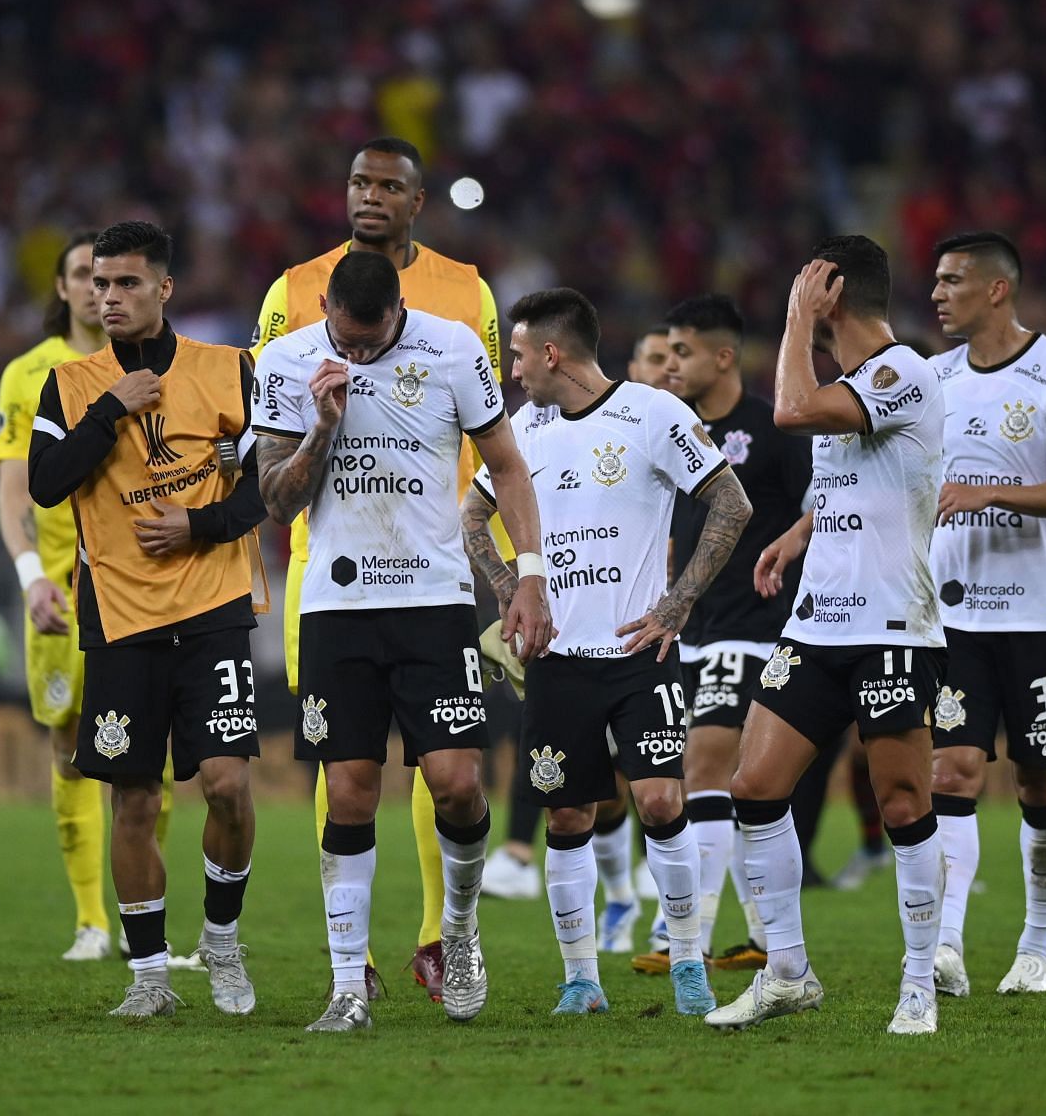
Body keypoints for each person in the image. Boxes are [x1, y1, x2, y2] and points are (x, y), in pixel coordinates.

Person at [254, 250, 554, 1033]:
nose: (352, 354)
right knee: (349, 790)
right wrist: (322, 428)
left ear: (398, 310)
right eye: (342, 338)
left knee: (457, 782)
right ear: (322, 305)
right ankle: (348, 983)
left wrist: (528, 576)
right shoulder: (287, 360)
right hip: (335, 606)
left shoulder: (454, 348)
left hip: (434, 601)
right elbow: (275, 501)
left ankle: (458, 934)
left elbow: (508, 468)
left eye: (369, 338)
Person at [461, 288, 751, 1017]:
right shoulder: (522, 430)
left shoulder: (653, 414)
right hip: (557, 659)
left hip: (639, 653)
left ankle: (688, 964)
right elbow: (470, 517)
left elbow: (732, 503)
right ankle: (581, 980)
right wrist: (508, 590)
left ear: (552, 353)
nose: (514, 370)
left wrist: (676, 604)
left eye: (519, 354)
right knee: (567, 819)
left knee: (658, 799)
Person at [705, 238, 948, 1036]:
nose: (799, 296)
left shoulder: (902, 370)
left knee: (904, 798)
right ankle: (788, 973)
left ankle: (917, 984)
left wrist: (792, 322)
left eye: (810, 284)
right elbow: (855, 481)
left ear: (834, 293)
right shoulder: (850, 386)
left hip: (890, 628)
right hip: (816, 626)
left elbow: (790, 412)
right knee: (754, 787)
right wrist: (798, 533)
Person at [29, 220, 268, 1019]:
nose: (108, 296)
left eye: (127, 283)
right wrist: (109, 409)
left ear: (164, 289)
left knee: (229, 787)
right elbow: (44, 483)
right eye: (99, 283)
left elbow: (267, 486)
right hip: (121, 619)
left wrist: (196, 527)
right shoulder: (69, 384)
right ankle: (150, 978)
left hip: (213, 609)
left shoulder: (230, 369)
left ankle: (224, 944)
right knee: (134, 800)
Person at [926, 230, 1046, 996]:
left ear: (997, 290)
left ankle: (1038, 943)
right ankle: (946, 947)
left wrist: (989, 492)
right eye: (935, 280)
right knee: (955, 769)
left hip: (1035, 613)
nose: (936, 293)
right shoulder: (933, 378)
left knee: (1041, 784)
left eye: (952, 280)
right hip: (953, 617)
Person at [626, 294, 811, 979]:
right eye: (665, 353)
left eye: (682, 352)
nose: (669, 365)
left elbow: (819, 508)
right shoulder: (667, 429)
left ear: (723, 357)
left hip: (756, 626)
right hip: (685, 628)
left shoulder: (773, 428)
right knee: (721, 778)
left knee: (703, 764)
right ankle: (762, 931)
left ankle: (691, 939)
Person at [0, 231, 127, 962]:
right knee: (72, 748)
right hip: (58, 592)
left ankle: (145, 916)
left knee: (151, 754)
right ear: (62, 286)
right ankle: (90, 919)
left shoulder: (145, 366)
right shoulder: (29, 374)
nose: (92, 288)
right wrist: (29, 576)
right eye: (81, 274)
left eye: (106, 276)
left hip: (139, 588)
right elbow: (15, 486)